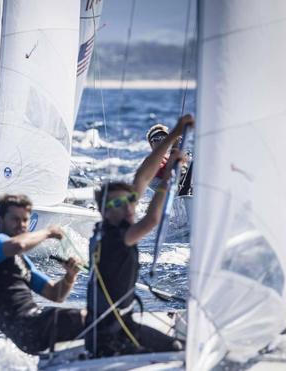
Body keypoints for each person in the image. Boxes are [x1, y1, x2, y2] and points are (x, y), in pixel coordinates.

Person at [84, 114, 194, 358]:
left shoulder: (104, 230)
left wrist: (175, 133)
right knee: (182, 350)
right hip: (113, 336)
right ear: (105, 211)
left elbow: (142, 177)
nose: (128, 206)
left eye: (129, 200)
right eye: (120, 203)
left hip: (106, 329)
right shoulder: (116, 238)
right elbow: (153, 218)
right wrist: (166, 181)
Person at [0, 194, 86, 355]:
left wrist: (70, 276)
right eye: (15, 219)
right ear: (0, 220)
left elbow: (56, 294)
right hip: (28, 328)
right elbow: (19, 244)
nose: (21, 225)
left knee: (93, 320)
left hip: (33, 331)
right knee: (89, 317)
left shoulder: (23, 262)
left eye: (25, 220)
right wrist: (48, 232)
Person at [145, 123, 193, 196]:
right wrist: (175, 147)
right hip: (168, 193)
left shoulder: (176, 155)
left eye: (164, 138)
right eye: (156, 139)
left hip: (186, 191)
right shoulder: (149, 162)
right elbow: (170, 173)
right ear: (151, 144)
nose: (160, 141)